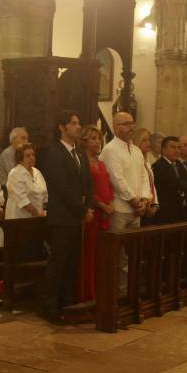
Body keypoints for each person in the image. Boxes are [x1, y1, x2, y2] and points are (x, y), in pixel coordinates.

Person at [38, 110, 93, 323]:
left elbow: (87, 183)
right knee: (59, 262)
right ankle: (49, 305)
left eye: (78, 123)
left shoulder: (79, 152)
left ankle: (66, 302)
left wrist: (87, 206)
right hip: (62, 216)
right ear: (62, 127)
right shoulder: (54, 153)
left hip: (77, 215)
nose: (78, 127)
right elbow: (62, 187)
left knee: (72, 262)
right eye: (73, 123)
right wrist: (82, 210)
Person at [99, 112, 151, 232]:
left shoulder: (137, 150)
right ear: (115, 127)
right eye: (126, 124)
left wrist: (144, 200)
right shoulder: (110, 149)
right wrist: (135, 202)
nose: (131, 127)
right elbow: (116, 180)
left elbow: (144, 177)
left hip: (137, 210)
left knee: (132, 247)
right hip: (119, 209)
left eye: (133, 124)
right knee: (115, 249)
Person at [80, 126, 113, 303]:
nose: (97, 142)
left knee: (101, 253)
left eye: (98, 138)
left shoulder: (100, 162)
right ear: (84, 141)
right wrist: (101, 204)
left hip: (106, 213)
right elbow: (86, 189)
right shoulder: (82, 162)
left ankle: (100, 290)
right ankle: (88, 291)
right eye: (93, 138)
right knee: (90, 252)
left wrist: (111, 203)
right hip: (93, 212)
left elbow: (108, 185)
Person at [152, 136, 187, 225]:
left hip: (181, 211)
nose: (177, 151)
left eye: (178, 147)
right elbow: (174, 184)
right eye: (173, 147)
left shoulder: (179, 164)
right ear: (163, 149)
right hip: (165, 213)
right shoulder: (158, 166)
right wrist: (182, 185)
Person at [5, 143, 47, 219]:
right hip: (19, 219)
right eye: (28, 156)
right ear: (20, 159)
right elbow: (23, 200)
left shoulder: (37, 172)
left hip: (37, 218)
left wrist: (45, 211)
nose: (32, 158)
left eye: (33, 155)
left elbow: (44, 195)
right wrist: (37, 213)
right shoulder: (15, 174)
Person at [131, 128, 159, 222]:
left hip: (149, 204)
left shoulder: (147, 161)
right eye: (144, 140)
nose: (148, 143)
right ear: (137, 141)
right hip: (140, 205)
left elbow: (151, 184)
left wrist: (155, 204)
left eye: (149, 140)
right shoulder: (133, 160)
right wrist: (145, 203)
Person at [0, 126, 28, 191]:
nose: (26, 142)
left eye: (27, 139)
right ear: (13, 139)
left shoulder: (21, 153)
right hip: (7, 190)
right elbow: (14, 175)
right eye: (23, 138)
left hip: (19, 187)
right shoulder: (7, 153)